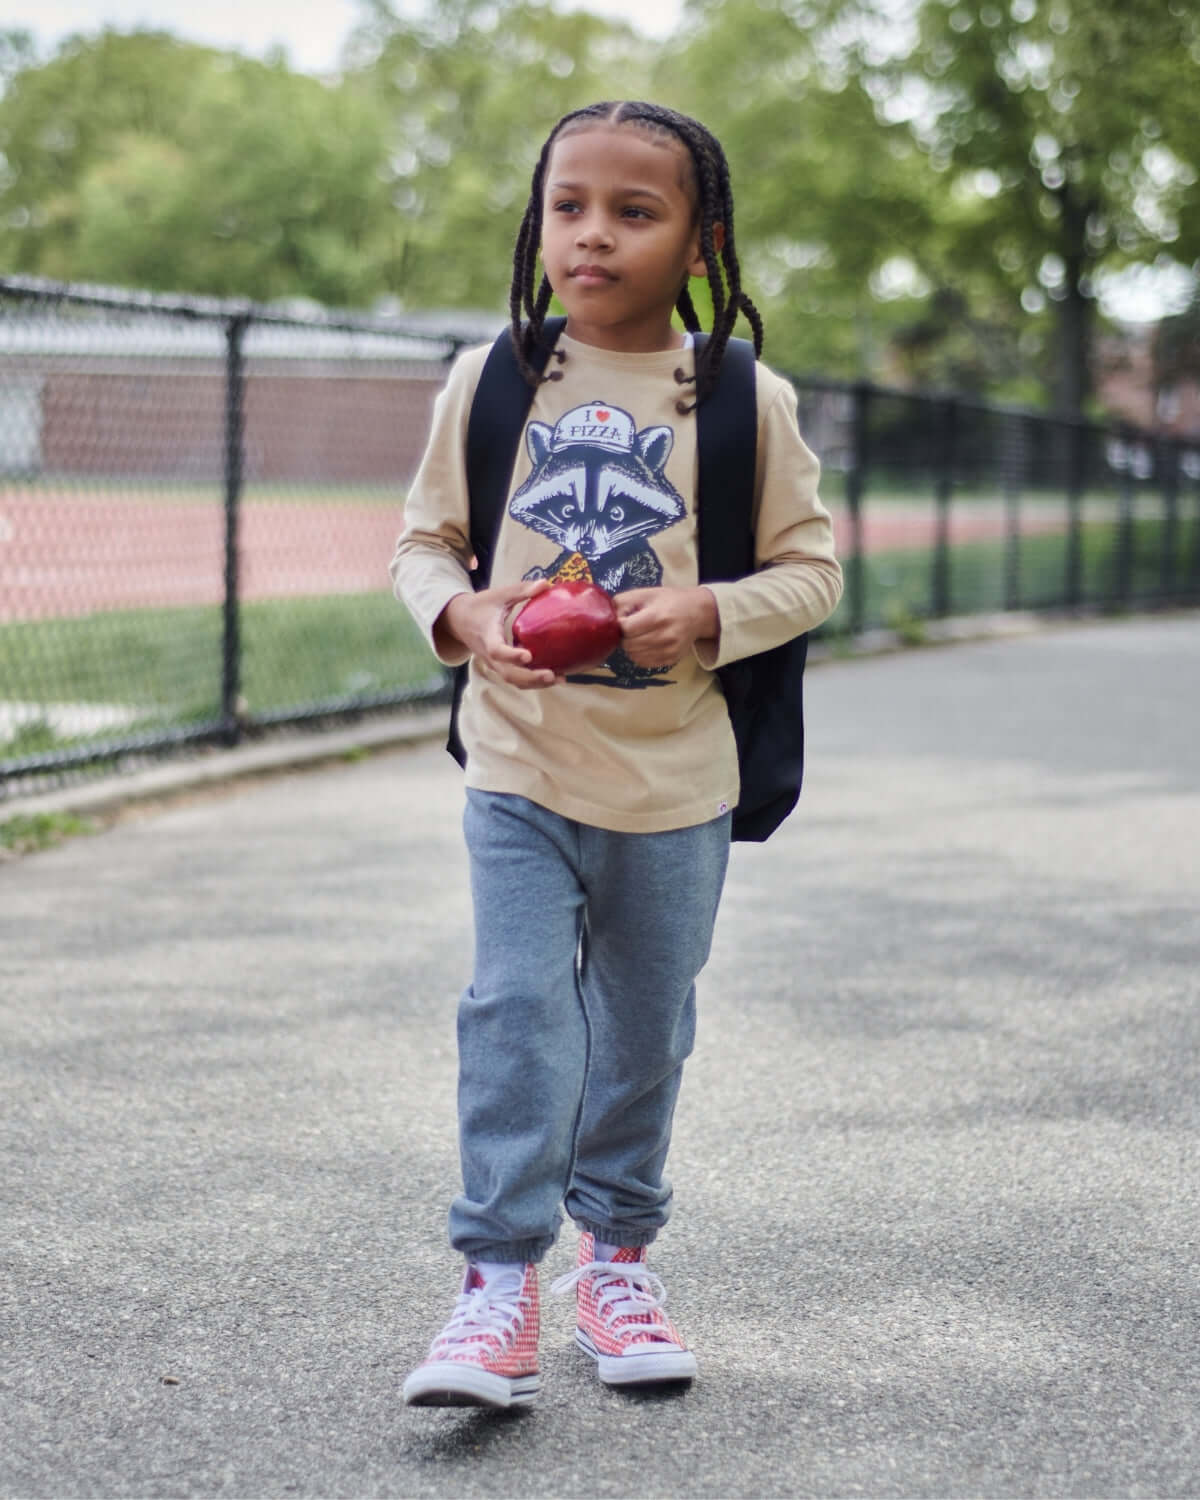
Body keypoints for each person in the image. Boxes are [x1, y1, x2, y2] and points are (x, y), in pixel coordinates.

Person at [390, 100, 843, 1409]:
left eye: (634, 212)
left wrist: (712, 609)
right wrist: (464, 612)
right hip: (521, 764)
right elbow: (427, 542)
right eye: (569, 206)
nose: (592, 235)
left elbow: (812, 570)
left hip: (677, 781)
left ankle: (621, 1259)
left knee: (642, 1033)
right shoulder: (495, 377)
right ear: (540, 224)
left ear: (701, 242)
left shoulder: (742, 397)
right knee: (516, 1013)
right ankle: (493, 1291)